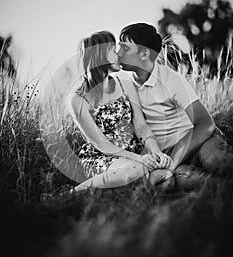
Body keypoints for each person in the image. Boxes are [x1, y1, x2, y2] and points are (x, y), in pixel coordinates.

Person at [117, 23, 233, 188]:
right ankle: (223, 190)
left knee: (216, 160)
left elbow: (205, 124)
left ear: (144, 54)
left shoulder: (171, 79)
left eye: (125, 48)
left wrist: (173, 162)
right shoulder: (127, 88)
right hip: (167, 155)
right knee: (186, 179)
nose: (118, 53)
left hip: (198, 142)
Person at [67, 31, 174, 192]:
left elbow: (141, 126)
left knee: (165, 178)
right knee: (137, 170)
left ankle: (122, 192)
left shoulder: (125, 84)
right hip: (103, 157)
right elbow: (101, 144)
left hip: (133, 154)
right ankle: (71, 194)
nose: (119, 53)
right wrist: (140, 159)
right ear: (99, 56)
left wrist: (156, 152)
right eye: (112, 49)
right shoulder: (77, 99)